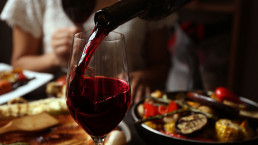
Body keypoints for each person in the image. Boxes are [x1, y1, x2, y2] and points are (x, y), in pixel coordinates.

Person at [0, 0, 177, 102]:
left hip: (124, 102)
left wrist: (145, 76)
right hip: (62, 103)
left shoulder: (149, 3)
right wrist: (54, 59)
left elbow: (162, 66)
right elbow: (19, 63)